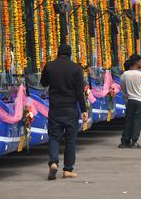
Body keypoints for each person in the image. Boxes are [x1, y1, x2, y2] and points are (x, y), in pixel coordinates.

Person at [41, 44, 88, 180]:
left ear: (58, 53)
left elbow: (43, 83)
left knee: (54, 137)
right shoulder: (76, 68)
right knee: (70, 140)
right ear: (70, 54)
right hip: (70, 108)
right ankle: (67, 170)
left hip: (55, 108)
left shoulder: (50, 66)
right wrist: (84, 110)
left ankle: (53, 162)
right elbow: (79, 92)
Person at [119, 54, 141, 149]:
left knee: (128, 121)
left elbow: (123, 88)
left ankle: (125, 142)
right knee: (137, 121)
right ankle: (134, 142)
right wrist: (140, 90)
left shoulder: (124, 74)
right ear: (136, 62)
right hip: (140, 100)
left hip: (130, 101)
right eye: (140, 62)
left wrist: (127, 96)